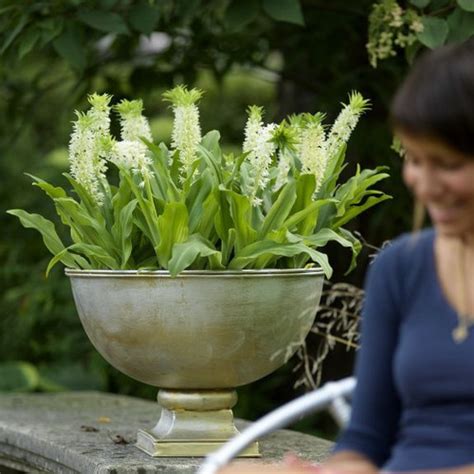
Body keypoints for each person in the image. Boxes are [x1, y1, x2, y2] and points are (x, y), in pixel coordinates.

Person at [220, 37, 474, 473]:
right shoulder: (404, 267)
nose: (425, 185)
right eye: (414, 160)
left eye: (446, 164)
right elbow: (366, 440)